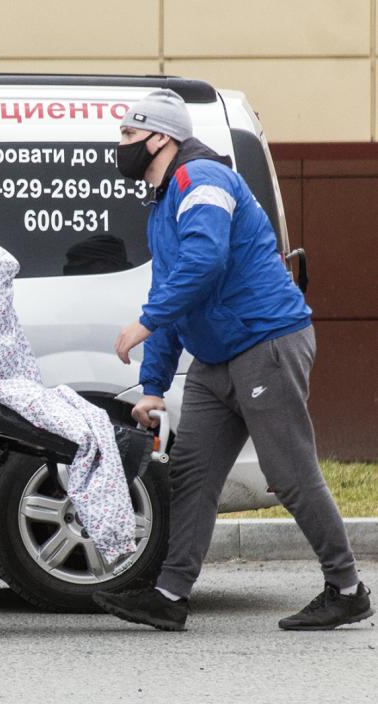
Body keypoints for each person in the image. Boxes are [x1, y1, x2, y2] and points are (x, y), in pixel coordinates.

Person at [93, 89, 371, 631]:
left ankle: (346, 589)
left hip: (265, 342)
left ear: (161, 138)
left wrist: (145, 322)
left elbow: (205, 260)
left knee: (289, 474)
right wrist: (152, 387)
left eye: (129, 134)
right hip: (216, 357)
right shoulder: (162, 204)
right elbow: (174, 291)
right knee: (192, 475)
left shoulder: (202, 179)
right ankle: (170, 596)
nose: (120, 144)